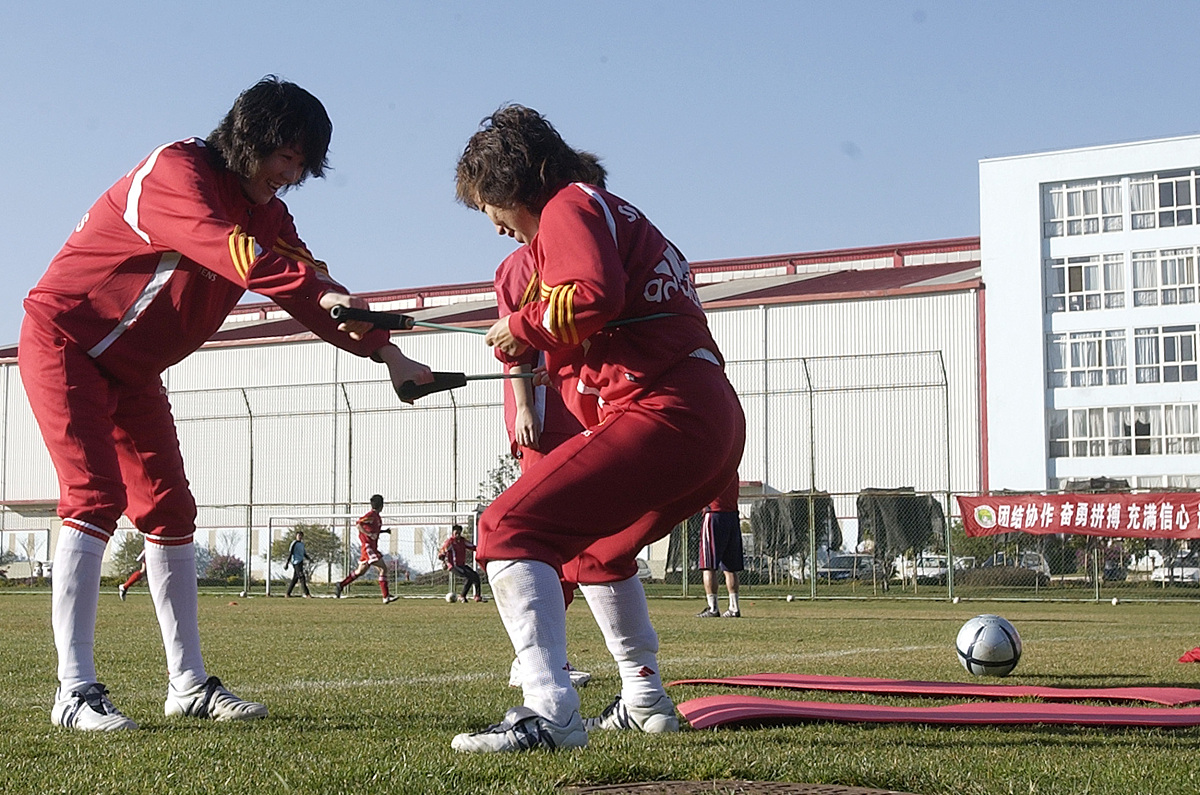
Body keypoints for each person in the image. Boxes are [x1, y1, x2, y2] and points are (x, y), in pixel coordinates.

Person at [19, 76, 432, 732]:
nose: (290, 175)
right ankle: (74, 691)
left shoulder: (270, 214)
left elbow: (313, 284)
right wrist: (313, 291)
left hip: (134, 370)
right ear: (248, 140)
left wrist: (387, 352)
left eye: (302, 164)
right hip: (66, 340)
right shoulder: (176, 172)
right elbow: (239, 255)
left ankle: (187, 683)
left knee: (171, 509)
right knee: (95, 496)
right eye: (284, 156)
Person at [450, 105, 745, 753]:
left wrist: (520, 330)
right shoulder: (608, 210)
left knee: (505, 524)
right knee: (597, 553)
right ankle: (644, 698)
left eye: (486, 207)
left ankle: (549, 709)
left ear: (506, 185)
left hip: (670, 411)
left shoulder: (567, 206)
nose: (494, 225)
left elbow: (594, 293)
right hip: (710, 416)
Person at [494, 244, 592, 691]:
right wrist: (526, 408)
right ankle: (529, 660)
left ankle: (550, 656)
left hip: (580, 409)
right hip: (546, 416)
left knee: (578, 543)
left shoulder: (580, 250)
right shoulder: (518, 268)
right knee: (542, 537)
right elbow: (515, 348)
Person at [695, 477, 744, 618]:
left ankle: (713, 607)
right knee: (730, 568)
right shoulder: (732, 470)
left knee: (708, 566)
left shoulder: (713, 467)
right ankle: (734, 607)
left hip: (714, 515)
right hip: (732, 516)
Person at [335, 494, 397, 604]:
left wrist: (384, 531)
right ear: (381, 505)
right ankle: (386, 597)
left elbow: (373, 530)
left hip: (371, 548)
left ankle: (340, 585)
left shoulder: (377, 517)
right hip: (368, 547)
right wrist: (368, 534)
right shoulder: (371, 515)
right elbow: (358, 524)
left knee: (360, 572)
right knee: (383, 569)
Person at [439, 524, 483, 602]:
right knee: (469, 576)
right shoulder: (450, 542)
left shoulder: (463, 541)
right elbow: (442, 551)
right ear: (453, 532)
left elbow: (472, 547)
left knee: (475, 575)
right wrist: (443, 560)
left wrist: (482, 549)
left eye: (459, 533)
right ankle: (462, 596)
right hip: (453, 566)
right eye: (456, 533)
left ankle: (477, 596)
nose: (458, 534)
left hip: (462, 565)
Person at [284, 530, 313, 598]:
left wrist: (309, 559)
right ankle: (307, 594)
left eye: (301, 536)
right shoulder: (294, 543)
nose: (300, 537)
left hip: (300, 562)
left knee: (295, 579)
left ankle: (288, 593)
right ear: (296, 536)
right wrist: (287, 563)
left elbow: (304, 553)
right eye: (298, 535)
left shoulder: (302, 544)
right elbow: (290, 553)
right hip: (296, 562)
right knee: (302, 577)